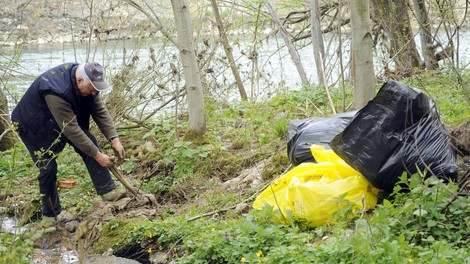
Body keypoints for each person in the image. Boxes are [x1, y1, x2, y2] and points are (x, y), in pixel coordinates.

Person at [11, 62, 125, 227]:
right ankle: (50, 216)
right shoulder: (56, 92)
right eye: (92, 88)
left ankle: (107, 191)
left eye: (96, 88)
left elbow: (99, 111)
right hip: (32, 126)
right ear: (79, 81)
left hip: (59, 120)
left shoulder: (89, 84)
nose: (95, 92)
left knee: (89, 142)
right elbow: (71, 129)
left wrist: (114, 138)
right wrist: (98, 156)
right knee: (48, 167)